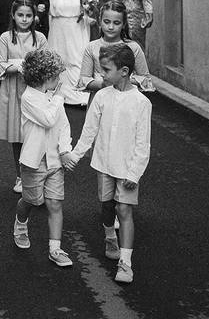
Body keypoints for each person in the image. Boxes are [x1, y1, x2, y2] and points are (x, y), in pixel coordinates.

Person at [65, 43, 152, 284]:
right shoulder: (102, 96)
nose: (101, 74)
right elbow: (89, 131)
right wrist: (75, 155)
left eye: (106, 70)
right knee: (106, 206)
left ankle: (126, 262)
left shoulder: (142, 103)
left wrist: (134, 174)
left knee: (124, 210)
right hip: (104, 164)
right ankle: (109, 236)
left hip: (127, 169)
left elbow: (143, 144)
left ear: (123, 71)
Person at [12, 48, 75, 268]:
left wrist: (65, 149)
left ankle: (55, 249)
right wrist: (58, 98)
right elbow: (48, 119)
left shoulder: (53, 97)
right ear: (45, 77)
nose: (59, 81)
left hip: (55, 161)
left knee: (55, 203)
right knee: (31, 200)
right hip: (34, 161)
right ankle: (20, 223)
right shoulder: (28, 97)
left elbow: (63, 125)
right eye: (56, 76)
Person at [0, 0, 47, 194]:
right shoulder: (6, 38)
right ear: (13, 16)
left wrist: (19, 65)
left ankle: (37, 175)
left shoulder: (39, 38)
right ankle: (20, 175)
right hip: (13, 90)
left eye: (28, 16)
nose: (24, 19)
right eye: (20, 15)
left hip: (34, 89)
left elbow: (44, 64)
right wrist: (22, 65)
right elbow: (0, 65)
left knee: (36, 134)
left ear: (34, 17)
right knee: (17, 135)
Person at [79, 0, 154, 100]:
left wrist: (121, 81)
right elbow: (84, 80)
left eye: (116, 23)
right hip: (99, 100)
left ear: (123, 24)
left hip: (126, 100)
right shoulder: (92, 47)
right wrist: (103, 84)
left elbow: (145, 78)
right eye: (106, 22)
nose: (111, 27)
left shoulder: (133, 47)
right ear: (100, 21)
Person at [44, 0, 90, 106]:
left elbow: (85, 9)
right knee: (60, 57)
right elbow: (48, 11)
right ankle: (58, 91)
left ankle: (78, 92)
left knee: (77, 57)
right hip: (59, 27)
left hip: (77, 27)